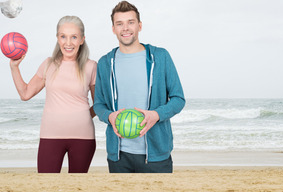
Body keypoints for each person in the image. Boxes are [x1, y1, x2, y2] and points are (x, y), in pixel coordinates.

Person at [93, 1, 185, 173]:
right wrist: (109, 116)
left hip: (157, 155)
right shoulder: (105, 63)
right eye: (119, 23)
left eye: (131, 22)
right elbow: (98, 104)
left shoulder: (160, 56)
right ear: (113, 29)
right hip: (119, 155)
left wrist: (156, 115)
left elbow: (178, 98)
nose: (125, 28)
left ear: (140, 26)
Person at [9, 16, 97, 173]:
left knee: (77, 187)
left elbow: (99, 104)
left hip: (83, 138)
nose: (68, 43)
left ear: (82, 40)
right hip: (50, 136)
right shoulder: (48, 64)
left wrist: (81, 116)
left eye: (74, 37)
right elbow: (25, 93)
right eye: (63, 36)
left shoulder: (91, 66)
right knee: (46, 184)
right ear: (57, 38)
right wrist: (14, 67)